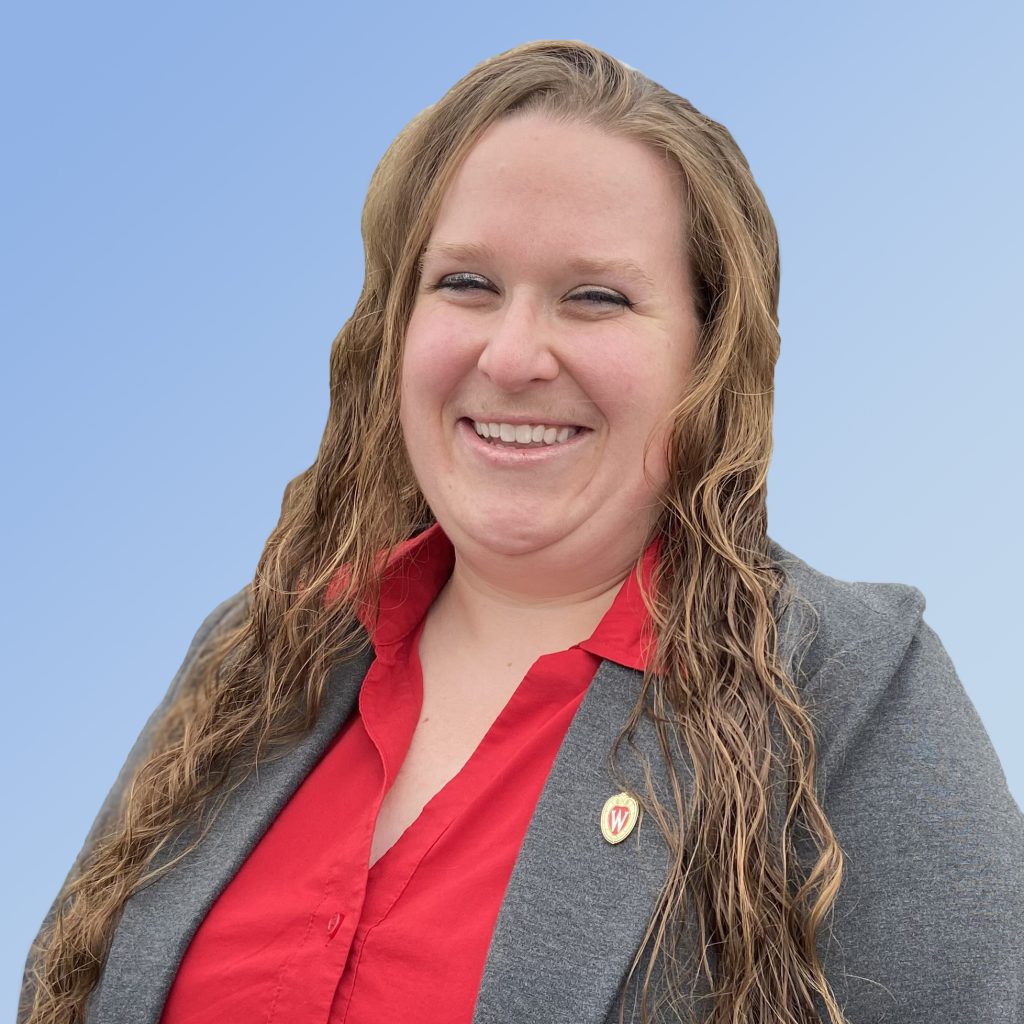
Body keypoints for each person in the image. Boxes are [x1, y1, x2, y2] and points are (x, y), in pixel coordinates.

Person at [20, 39, 1023, 1024]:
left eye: (595, 297)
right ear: (396, 327)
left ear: (705, 357)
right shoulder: (257, 654)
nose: (512, 353)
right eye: (465, 284)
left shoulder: (844, 694)